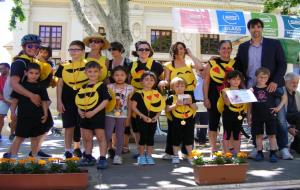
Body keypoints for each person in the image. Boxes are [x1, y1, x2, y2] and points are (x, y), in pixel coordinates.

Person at [235, 18, 292, 159]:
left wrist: (275, 81)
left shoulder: (273, 44)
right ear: (249, 30)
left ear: (262, 29)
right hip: (252, 89)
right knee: (255, 120)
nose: (256, 30)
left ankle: (283, 148)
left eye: (259, 27)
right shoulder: (243, 47)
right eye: (253, 27)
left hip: (273, 87)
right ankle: (257, 148)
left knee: (279, 119)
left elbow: (282, 64)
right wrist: (242, 84)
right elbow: (238, 67)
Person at [3, 34, 53, 158]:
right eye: (30, 46)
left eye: (37, 47)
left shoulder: (32, 62)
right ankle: (14, 153)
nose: (34, 48)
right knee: (22, 132)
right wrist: (31, 95)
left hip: (34, 101)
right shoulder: (20, 62)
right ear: (24, 47)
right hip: (25, 101)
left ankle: (33, 151)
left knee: (41, 127)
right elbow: (14, 84)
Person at [158, 42, 203, 159]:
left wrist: (191, 55)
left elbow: (201, 67)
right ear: (173, 51)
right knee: (173, 124)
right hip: (175, 94)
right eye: (178, 49)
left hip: (188, 94)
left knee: (189, 123)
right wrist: (163, 83)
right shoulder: (169, 65)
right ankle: (170, 152)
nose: (180, 51)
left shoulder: (189, 63)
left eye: (182, 48)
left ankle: (187, 152)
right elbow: (167, 80)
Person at [5, 64, 49, 158]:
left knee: (35, 138)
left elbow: (44, 101)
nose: (34, 75)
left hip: (37, 116)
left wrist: (45, 114)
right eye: (31, 73)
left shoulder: (41, 86)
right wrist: (12, 113)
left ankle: (34, 156)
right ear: (26, 73)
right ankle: (13, 156)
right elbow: (15, 101)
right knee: (19, 137)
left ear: (39, 74)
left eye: (36, 73)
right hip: (23, 117)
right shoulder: (20, 86)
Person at [129, 41, 164, 158]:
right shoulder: (132, 65)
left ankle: (148, 153)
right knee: (137, 127)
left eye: (146, 49)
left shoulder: (157, 65)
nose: (144, 51)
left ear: (150, 51)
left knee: (149, 127)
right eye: (141, 49)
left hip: (151, 99)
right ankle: (140, 152)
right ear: (137, 51)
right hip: (136, 97)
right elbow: (128, 80)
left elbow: (162, 80)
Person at [75, 61, 111, 169]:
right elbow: (79, 101)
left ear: (100, 72)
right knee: (86, 138)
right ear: (86, 73)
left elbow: (106, 101)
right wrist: (79, 110)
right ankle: (88, 156)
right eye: (90, 71)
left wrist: (94, 112)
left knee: (101, 137)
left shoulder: (102, 86)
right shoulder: (83, 87)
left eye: (95, 71)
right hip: (84, 116)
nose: (92, 74)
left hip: (97, 115)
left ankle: (103, 158)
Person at [203, 40, 236, 154]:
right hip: (213, 97)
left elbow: (240, 81)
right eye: (223, 48)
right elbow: (206, 82)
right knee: (213, 123)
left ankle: (229, 148)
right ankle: (213, 148)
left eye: (228, 48)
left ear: (231, 49)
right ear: (219, 50)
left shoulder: (235, 63)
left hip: (230, 98)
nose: (226, 50)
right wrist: (205, 98)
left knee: (230, 123)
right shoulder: (212, 63)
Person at [56, 40, 87, 158]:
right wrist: (59, 101)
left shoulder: (88, 65)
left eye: (76, 49)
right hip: (67, 100)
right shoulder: (64, 66)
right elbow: (60, 84)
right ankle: (68, 150)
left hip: (84, 101)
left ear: (83, 51)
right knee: (68, 126)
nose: (73, 52)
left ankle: (85, 151)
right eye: (71, 49)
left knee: (84, 126)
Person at [248, 67, 284, 163]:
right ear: (256, 77)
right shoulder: (252, 90)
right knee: (258, 135)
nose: (263, 79)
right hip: (256, 116)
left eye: (265, 77)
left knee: (272, 135)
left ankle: (273, 152)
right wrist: (248, 117)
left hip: (270, 115)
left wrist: (278, 108)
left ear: (268, 78)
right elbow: (249, 104)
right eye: (260, 77)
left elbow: (283, 97)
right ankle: (259, 152)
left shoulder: (270, 88)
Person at [131, 71, 165, 165]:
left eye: (151, 80)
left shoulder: (156, 93)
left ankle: (149, 156)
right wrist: (143, 116)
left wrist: (156, 117)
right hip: (141, 119)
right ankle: (141, 156)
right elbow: (133, 107)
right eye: (146, 79)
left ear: (155, 82)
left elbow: (160, 106)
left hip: (153, 120)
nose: (149, 81)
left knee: (150, 138)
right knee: (143, 137)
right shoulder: (138, 94)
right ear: (141, 81)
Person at [105, 66, 134, 164]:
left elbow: (130, 103)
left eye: (122, 75)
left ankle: (118, 155)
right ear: (113, 76)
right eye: (116, 75)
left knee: (120, 134)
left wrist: (128, 117)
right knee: (107, 134)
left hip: (123, 114)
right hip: (109, 114)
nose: (119, 77)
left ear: (126, 76)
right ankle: (104, 152)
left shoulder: (130, 88)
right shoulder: (109, 87)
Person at [107, 41, 132, 155]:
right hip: (112, 92)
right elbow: (107, 77)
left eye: (115, 49)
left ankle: (124, 146)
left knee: (123, 126)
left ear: (121, 50)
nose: (112, 51)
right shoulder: (109, 62)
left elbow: (129, 77)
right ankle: (112, 147)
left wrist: (127, 89)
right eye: (111, 49)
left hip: (124, 93)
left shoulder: (127, 61)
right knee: (111, 126)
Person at [166, 77, 197, 164]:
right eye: (177, 86)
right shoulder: (171, 97)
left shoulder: (189, 97)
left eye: (182, 86)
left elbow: (195, 108)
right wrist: (175, 105)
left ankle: (190, 155)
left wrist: (190, 103)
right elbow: (167, 109)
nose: (180, 88)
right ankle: (175, 156)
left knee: (189, 138)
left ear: (185, 87)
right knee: (175, 138)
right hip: (175, 121)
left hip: (189, 120)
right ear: (173, 88)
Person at [217, 70, 247, 154]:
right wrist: (229, 96)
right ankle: (226, 153)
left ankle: (237, 154)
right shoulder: (225, 90)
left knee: (237, 134)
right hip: (228, 114)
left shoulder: (243, 91)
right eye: (234, 79)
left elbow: (245, 105)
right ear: (228, 80)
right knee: (227, 133)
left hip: (239, 114)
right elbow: (227, 103)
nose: (236, 81)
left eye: (238, 79)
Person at [283, 72, 300, 154]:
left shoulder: (297, 93)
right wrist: (288, 127)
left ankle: (296, 145)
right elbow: (280, 115)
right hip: (285, 117)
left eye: (297, 82)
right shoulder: (282, 92)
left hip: (296, 118)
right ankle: (296, 146)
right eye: (293, 82)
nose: (295, 85)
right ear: (286, 82)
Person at [194, 66, 209, 145]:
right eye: (200, 70)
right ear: (196, 70)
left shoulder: (208, 79)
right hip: (195, 103)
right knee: (194, 122)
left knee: (204, 122)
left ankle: (202, 139)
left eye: (204, 70)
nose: (202, 71)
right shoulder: (193, 79)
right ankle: (194, 138)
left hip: (205, 102)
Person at [0, 63, 10, 140]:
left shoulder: (13, 77)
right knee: (0, 117)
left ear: (8, 68)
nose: (1, 70)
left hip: (14, 99)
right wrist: (4, 99)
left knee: (15, 117)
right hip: (3, 100)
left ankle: (13, 134)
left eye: (2, 68)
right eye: (0, 69)